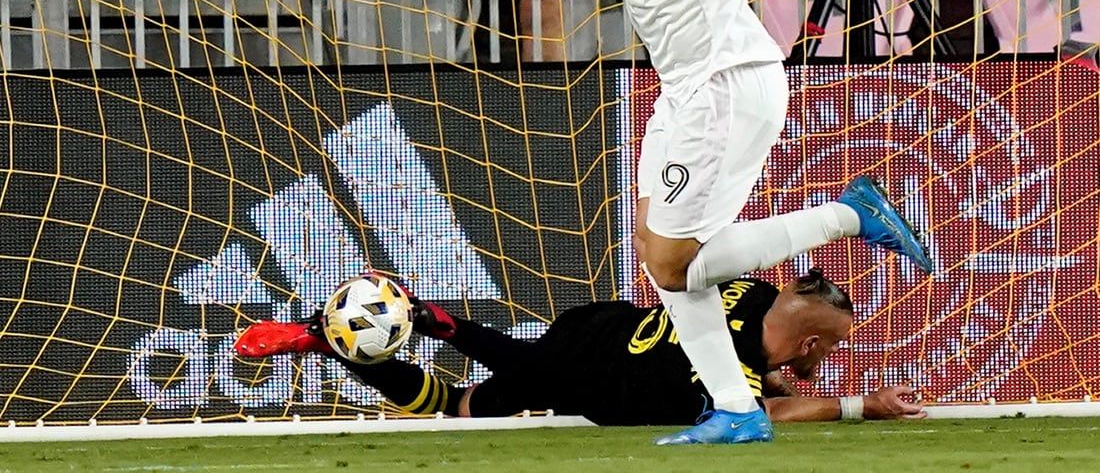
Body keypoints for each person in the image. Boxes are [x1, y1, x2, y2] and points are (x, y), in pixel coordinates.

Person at [518, 0, 934, 445]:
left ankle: (847, 215)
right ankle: (737, 408)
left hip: (724, 81)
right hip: (684, 87)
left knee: (675, 261)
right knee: (663, 258)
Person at [234, 270, 925, 426]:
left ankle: (403, 328)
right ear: (808, 341)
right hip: (593, 374)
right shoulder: (740, 368)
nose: (818, 368)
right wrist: (860, 404)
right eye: (822, 353)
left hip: (603, 324)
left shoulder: (749, 287)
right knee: (461, 404)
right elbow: (759, 409)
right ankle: (410, 329)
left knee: (514, 375)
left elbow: (757, 368)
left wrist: (779, 380)